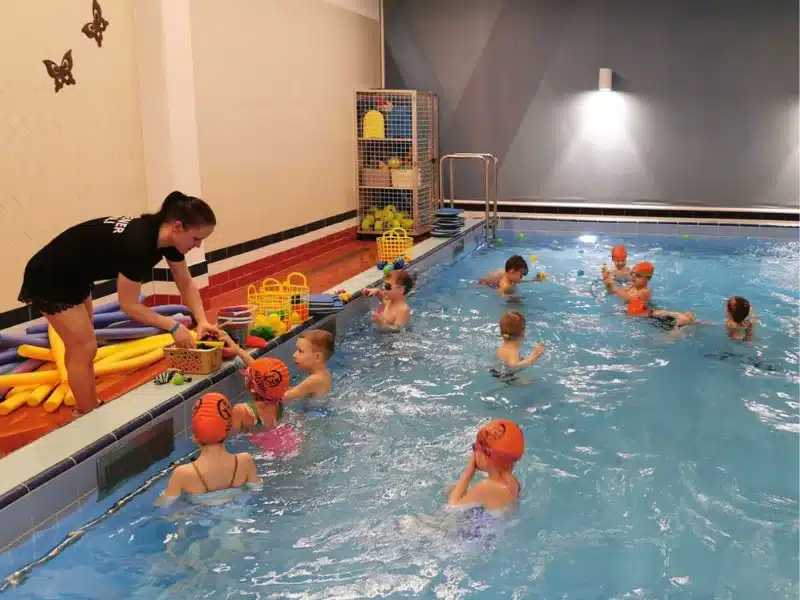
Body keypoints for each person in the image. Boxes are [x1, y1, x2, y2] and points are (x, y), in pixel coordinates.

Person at [18, 191, 220, 415]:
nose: (198, 246)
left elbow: (185, 282)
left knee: (82, 345)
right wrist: (173, 327)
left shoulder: (163, 236)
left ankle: (87, 404)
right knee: (84, 347)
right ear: (178, 227)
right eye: (196, 239)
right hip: (50, 276)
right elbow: (129, 306)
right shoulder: (140, 246)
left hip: (74, 274)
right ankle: (86, 412)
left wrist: (201, 321)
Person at [157, 393, 261, 506]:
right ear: (228, 431)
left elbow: (164, 506)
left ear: (195, 437)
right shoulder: (245, 461)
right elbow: (257, 489)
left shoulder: (183, 473)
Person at [446, 420, 524, 539]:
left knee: (409, 521)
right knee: (453, 488)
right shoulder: (515, 483)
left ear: (485, 457)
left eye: (475, 448)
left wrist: (468, 473)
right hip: (487, 539)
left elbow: (451, 508)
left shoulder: (486, 486)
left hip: (466, 544)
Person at [490, 311, 545, 382]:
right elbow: (514, 366)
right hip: (507, 377)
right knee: (531, 382)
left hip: (496, 372)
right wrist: (534, 355)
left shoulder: (501, 347)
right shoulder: (514, 351)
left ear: (501, 332)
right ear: (523, 332)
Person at [284, 329, 334, 401]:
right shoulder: (324, 373)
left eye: (300, 351)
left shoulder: (312, 381)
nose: (294, 355)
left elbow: (285, 397)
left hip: (314, 411)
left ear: (317, 357)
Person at [479, 255, 545, 297]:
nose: (521, 277)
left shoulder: (507, 273)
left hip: (487, 282)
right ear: (512, 271)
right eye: (521, 275)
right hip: (483, 286)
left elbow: (518, 279)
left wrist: (534, 279)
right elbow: (500, 291)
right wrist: (512, 296)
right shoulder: (506, 284)